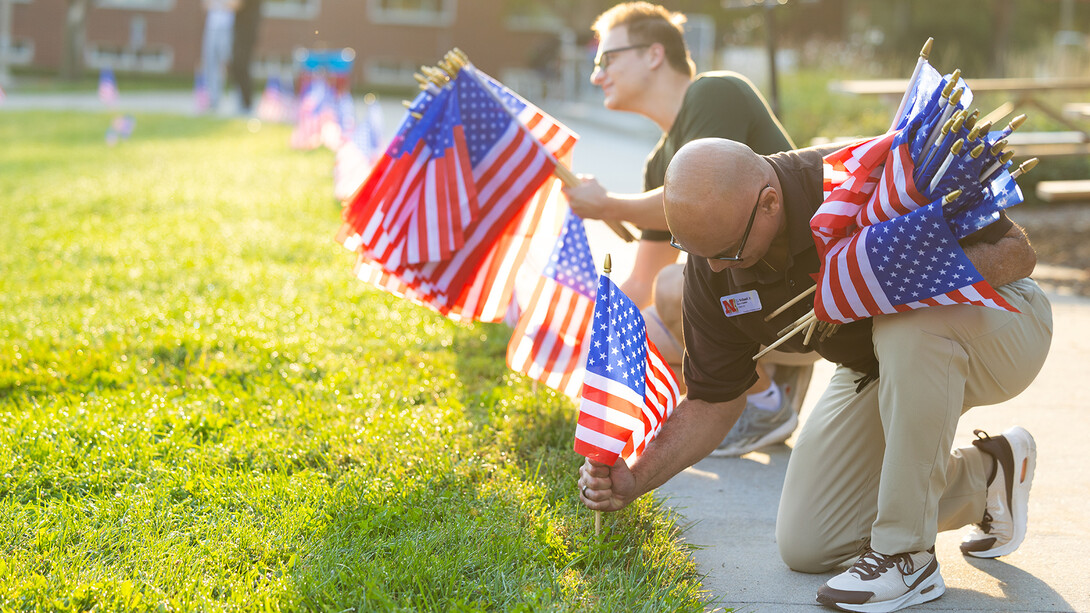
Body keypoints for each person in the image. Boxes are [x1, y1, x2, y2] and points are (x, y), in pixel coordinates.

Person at [579, 137, 1053, 612]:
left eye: (728, 251)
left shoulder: (866, 177)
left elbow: (1017, 252)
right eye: (699, 252)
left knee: (904, 318)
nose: (718, 267)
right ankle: (988, 478)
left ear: (769, 202)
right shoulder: (712, 264)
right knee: (811, 542)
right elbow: (713, 401)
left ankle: (906, 555)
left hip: (1002, 325)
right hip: (882, 363)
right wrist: (634, 478)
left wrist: (901, 277)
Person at [562, 1, 812, 457]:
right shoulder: (658, 162)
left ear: (654, 54)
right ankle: (770, 381)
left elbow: (696, 199)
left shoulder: (715, 93)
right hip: (754, 304)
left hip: (807, 294)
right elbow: (639, 281)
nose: (597, 74)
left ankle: (764, 403)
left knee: (676, 288)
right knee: (645, 336)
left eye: (606, 58)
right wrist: (582, 345)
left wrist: (606, 205)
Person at [200, 0, 241, 112]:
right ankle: (214, 99)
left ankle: (239, 99)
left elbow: (236, 5)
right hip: (211, 27)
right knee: (210, 64)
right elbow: (205, 5)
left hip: (228, 28)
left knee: (231, 63)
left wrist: (218, 4)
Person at [230, 0, 264, 114]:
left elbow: (235, 5)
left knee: (241, 65)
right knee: (239, 65)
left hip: (246, 31)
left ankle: (247, 104)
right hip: (243, 30)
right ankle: (244, 102)